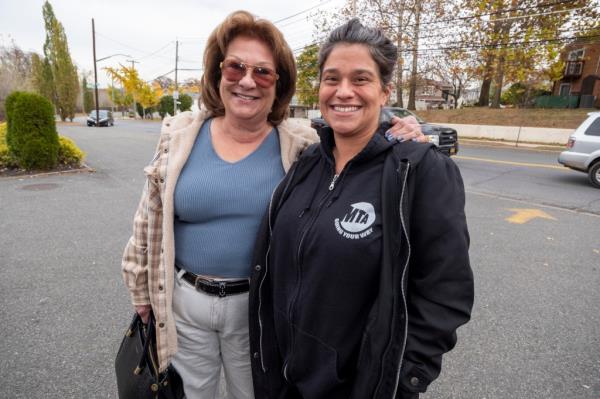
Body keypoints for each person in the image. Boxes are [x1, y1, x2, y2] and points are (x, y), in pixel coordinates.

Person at [121, 10, 424, 399]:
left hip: (260, 310)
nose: (247, 81)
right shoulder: (180, 136)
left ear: (278, 84)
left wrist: (401, 130)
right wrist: (140, 291)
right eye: (235, 68)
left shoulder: (301, 145)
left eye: (263, 72)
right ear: (217, 74)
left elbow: (355, 131)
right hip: (184, 305)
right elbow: (147, 220)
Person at [248, 18, 474, 399]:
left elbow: (445, 292)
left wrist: (403, 379)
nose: (343, 92)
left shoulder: (419, 171)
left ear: (385, 91)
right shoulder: (306, 165)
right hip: (285, 382)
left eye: (361, 79)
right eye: (332, 78)